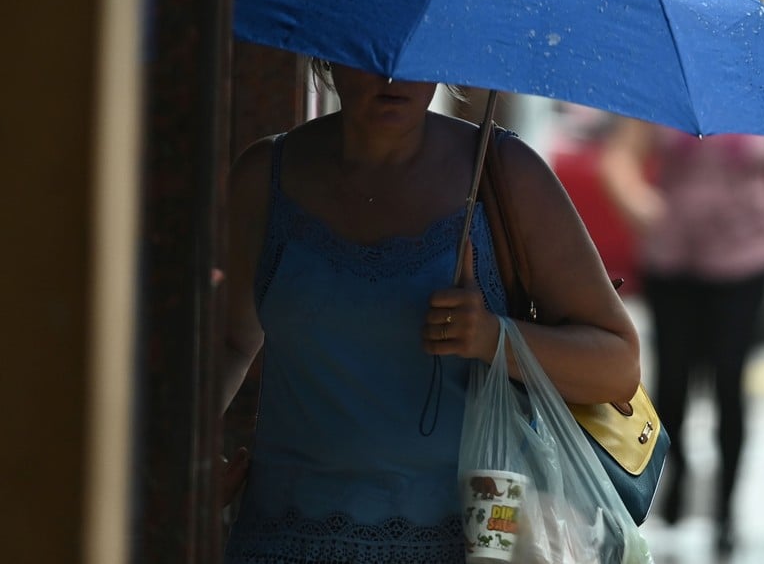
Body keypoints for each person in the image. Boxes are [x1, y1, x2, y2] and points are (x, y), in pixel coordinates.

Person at [218, 62, 641, 562]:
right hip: (280, 540)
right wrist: (190, 461)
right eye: (372, 52)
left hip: (459, 543)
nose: (393, 77)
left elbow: (617, 365)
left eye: (414, 53)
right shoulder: (265, 177)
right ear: (329, 54)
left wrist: (492, 337)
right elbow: (228, 340)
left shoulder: (504, 175)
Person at [599, 101, 764, 553]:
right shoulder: (675, 90)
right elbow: (618, 159)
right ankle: (672, 472)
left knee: (729, 383)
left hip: (746, 261)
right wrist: (635, 200)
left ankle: (726, 508)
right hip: (673, 259)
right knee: (673, 383)